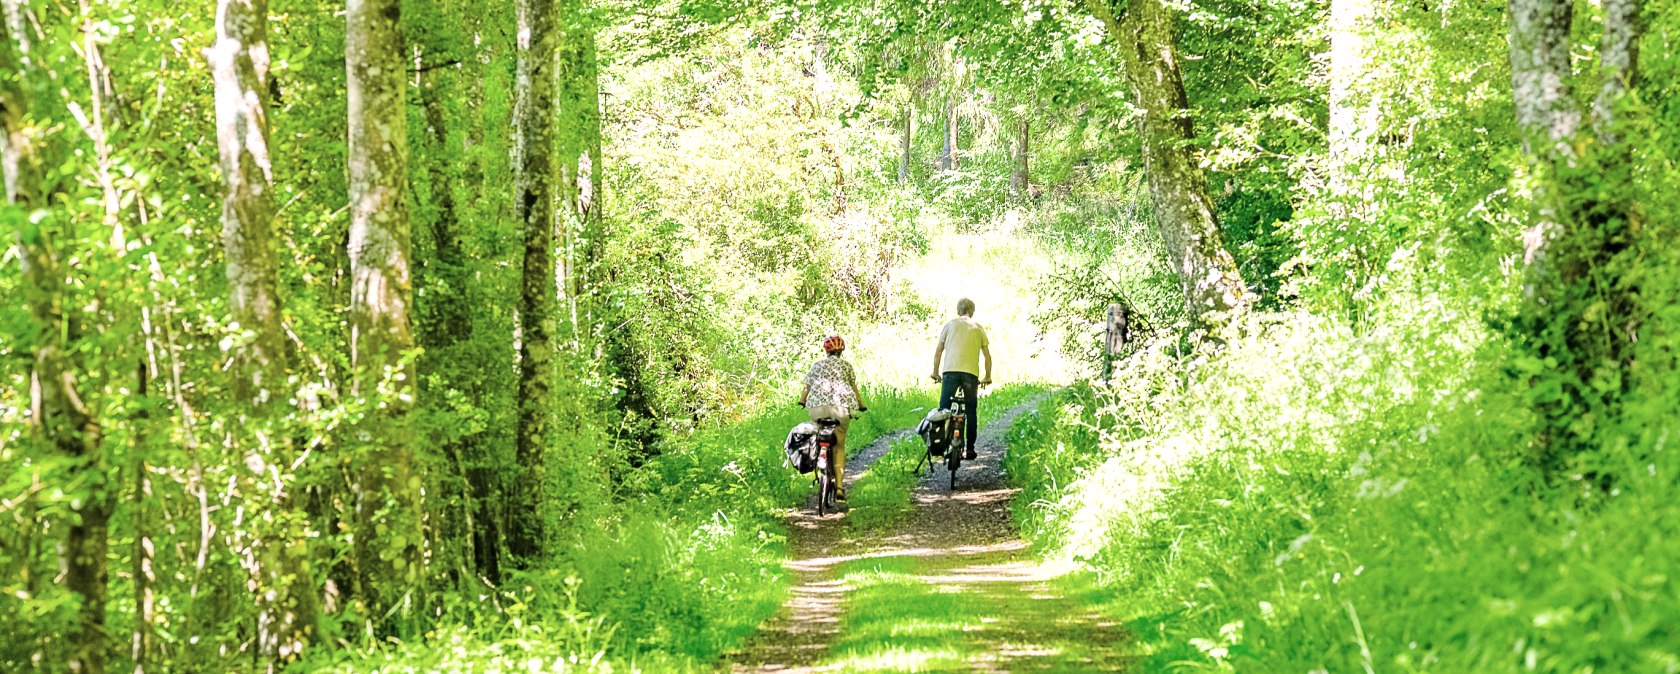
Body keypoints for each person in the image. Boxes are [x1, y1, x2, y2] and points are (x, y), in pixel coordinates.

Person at [800, 334, 867, 499]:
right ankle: (839, 486)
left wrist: (802, 401)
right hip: (841, 408)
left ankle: (818, 458)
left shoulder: (817, 365)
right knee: (839, 447)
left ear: (826, 351)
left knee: (818, 435)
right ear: (841, 351)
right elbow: (854, 388)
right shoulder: (846, 366)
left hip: (817, 408)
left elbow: (807, 388)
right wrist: (861, 404)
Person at [930, 298, 992, 460]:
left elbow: (938, 351)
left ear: (958, 310)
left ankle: (942, 444)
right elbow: (987, 356)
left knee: (944, 409)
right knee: (970, 411)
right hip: (970, 374)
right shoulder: (978, 328)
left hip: (950, 372)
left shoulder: (949, 326)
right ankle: (970, 449)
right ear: (972, 311)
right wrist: (988, 376)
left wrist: (935, 372)